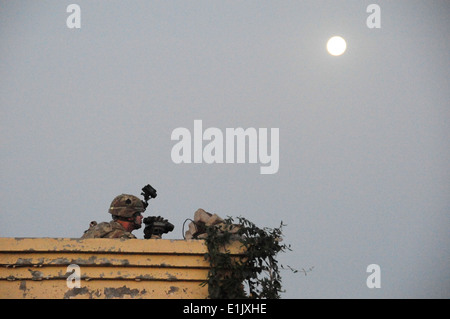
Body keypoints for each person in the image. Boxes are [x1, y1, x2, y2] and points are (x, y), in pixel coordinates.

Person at [81, 194, 145, 239]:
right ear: (130, 216)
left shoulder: (100, 229)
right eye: (138, 214)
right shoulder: (124, 238)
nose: (142, 217)